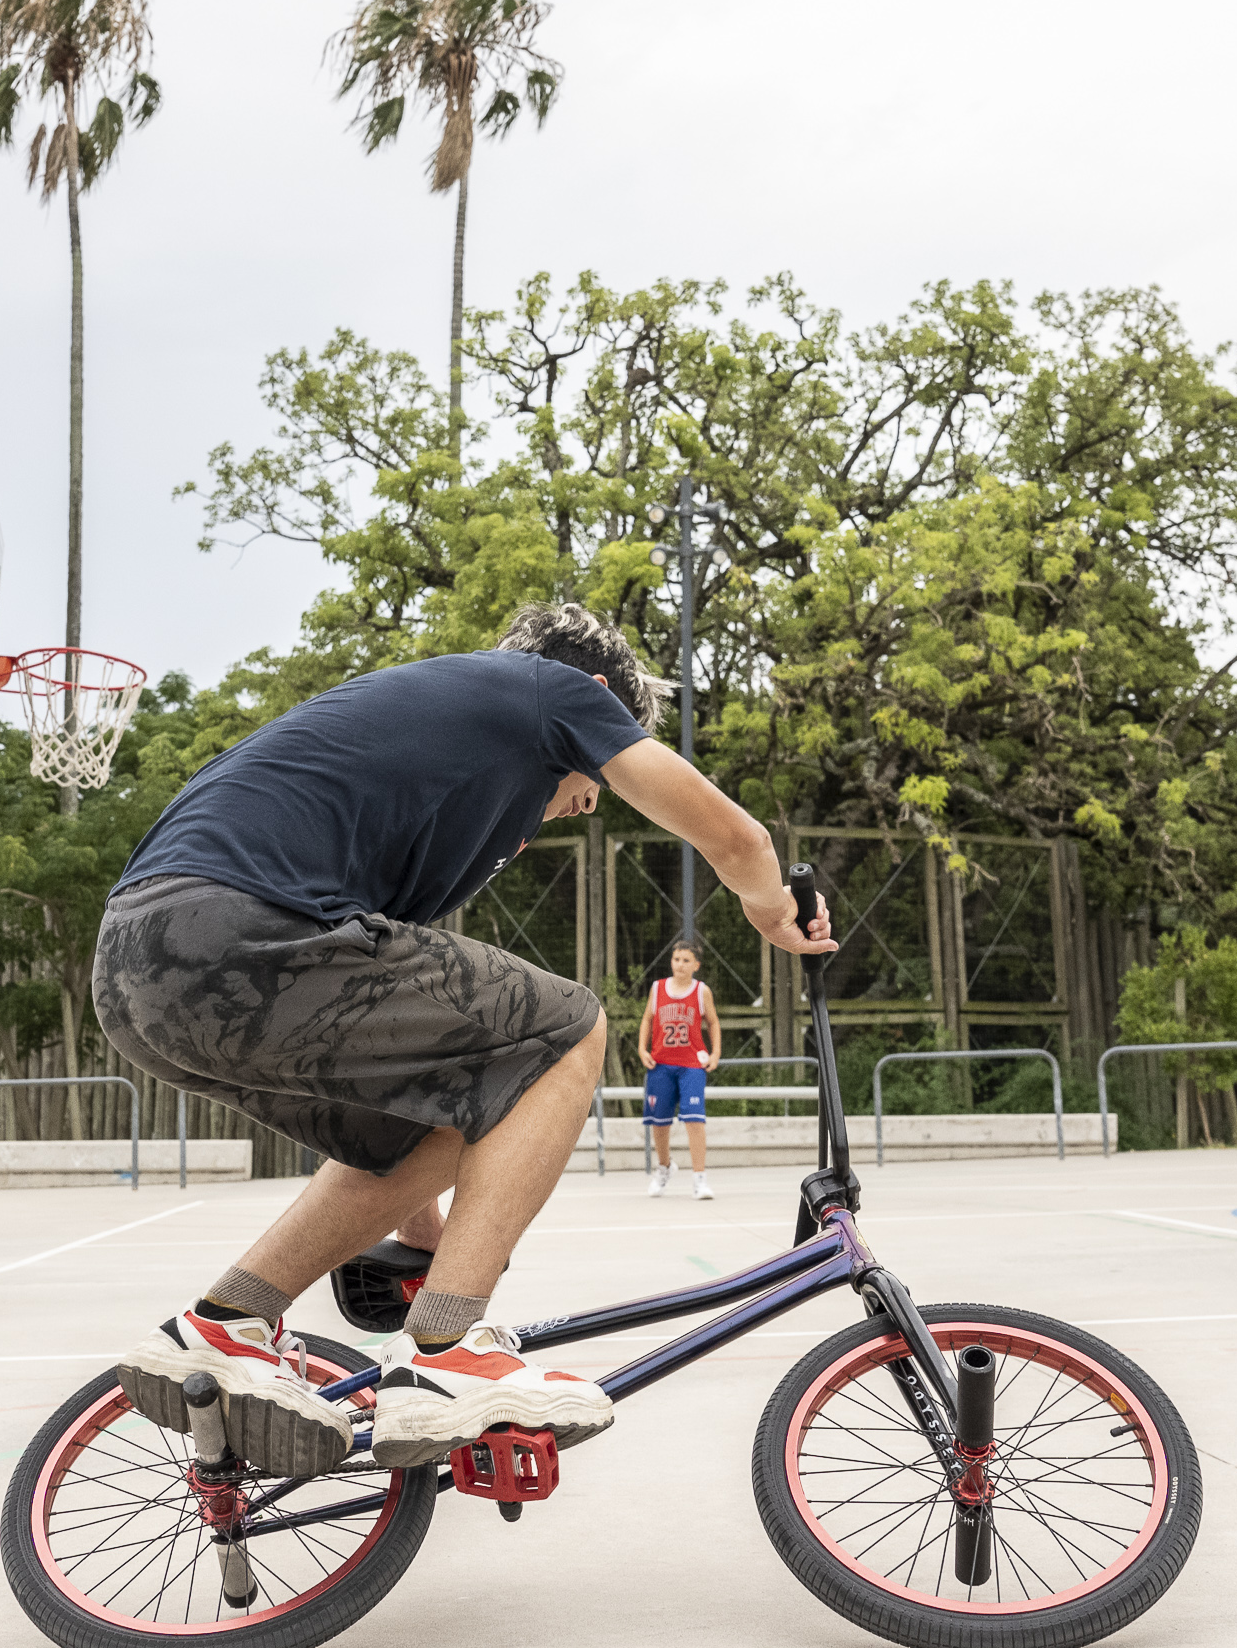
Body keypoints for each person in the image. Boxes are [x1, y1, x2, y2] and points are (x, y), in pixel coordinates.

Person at [97, 603, 837, 1474]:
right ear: (594, 701)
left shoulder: (423, 774)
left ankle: (222, 1327)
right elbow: (733, 835)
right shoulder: (548, 689)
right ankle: (447, 1354)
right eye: (590, 777)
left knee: (458, 1110)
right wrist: (769, 905)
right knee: (570, 1030)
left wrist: (429, 1232)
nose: (585, 805)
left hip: (138, 975)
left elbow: (414, 1077)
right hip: (239, 928)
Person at [642, 938, 720, 1199]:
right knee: (659, 1121)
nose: (680, 964)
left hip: (691, 1065)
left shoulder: (701, 991)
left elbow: (713, 1022)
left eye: (686, 960)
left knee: (694, 1120)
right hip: (661, 1063)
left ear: (696, 965)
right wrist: (642, 1049)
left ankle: (700, 1179)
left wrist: (715, 1053)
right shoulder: (658, 988)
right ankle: (664, 1167)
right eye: (677, 959)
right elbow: (647, 1019)